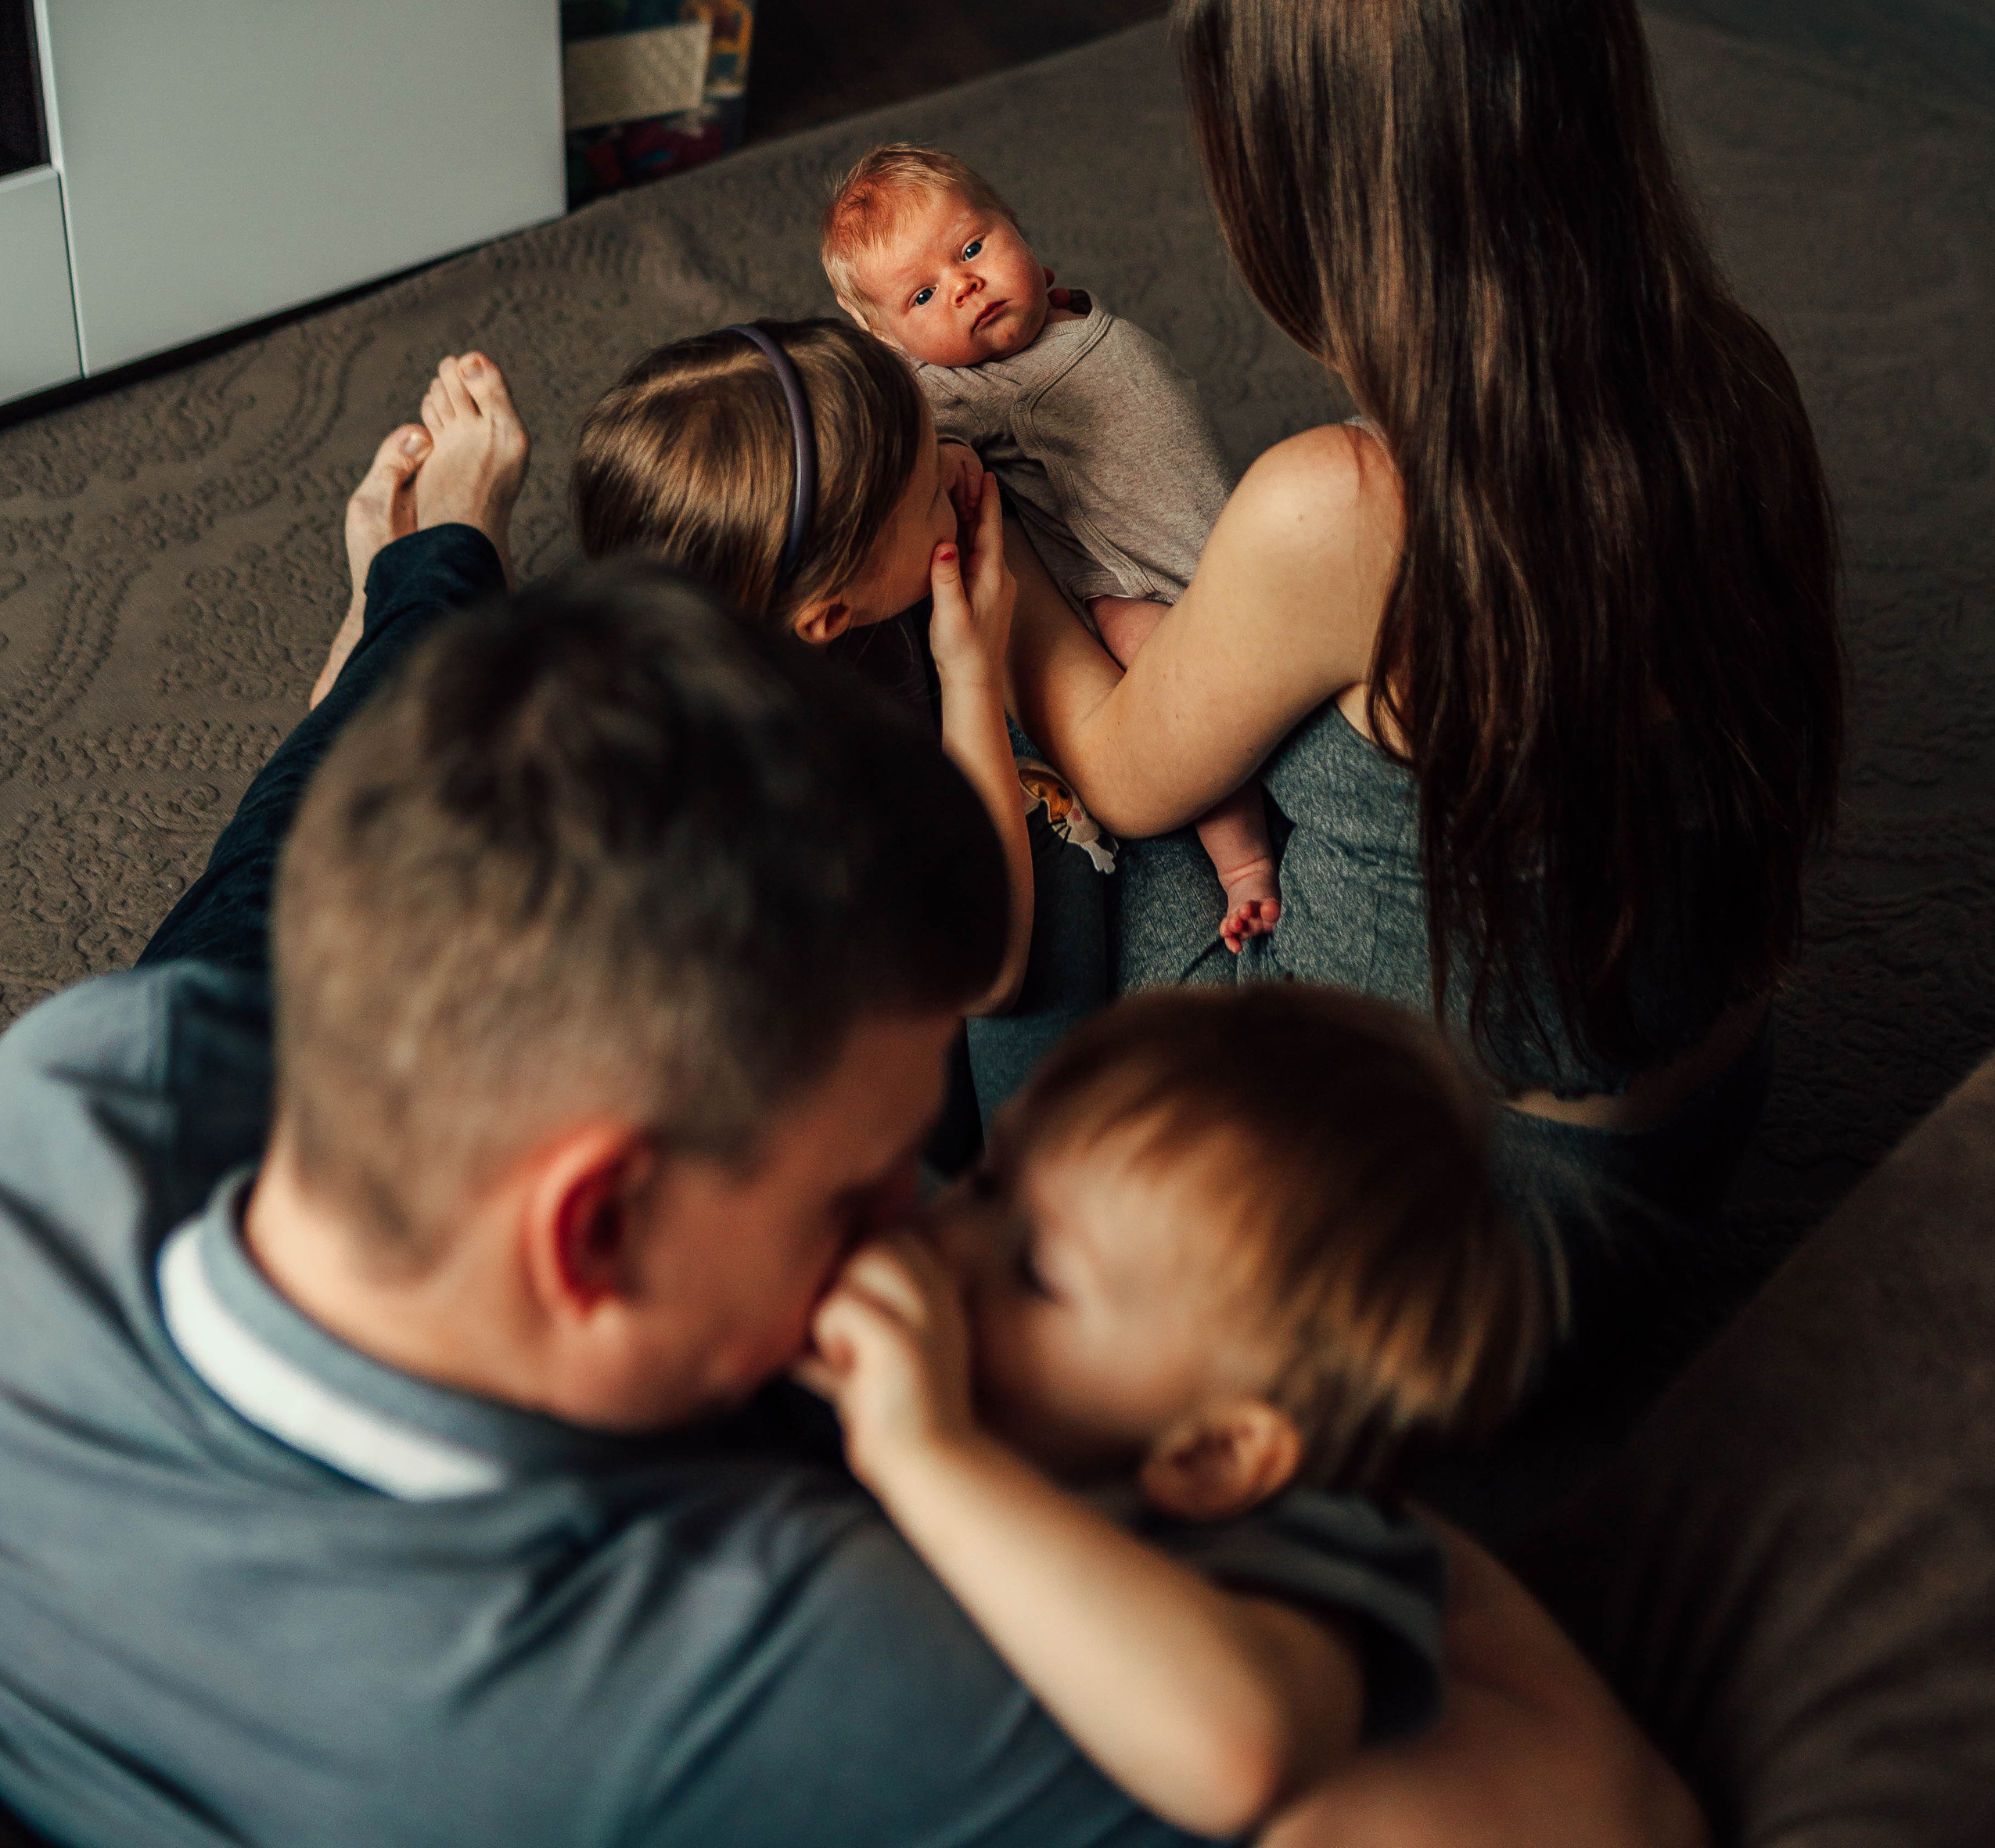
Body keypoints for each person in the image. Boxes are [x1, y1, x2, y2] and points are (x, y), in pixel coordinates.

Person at [0, 398, 1703, 1847]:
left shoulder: (82, 1077)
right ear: (593, 1229)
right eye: (856, 1184)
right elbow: (1590, 1811)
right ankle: (420, 601)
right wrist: (1332, 1525)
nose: (911, 1217)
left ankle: (422, 596)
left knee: (318, 838)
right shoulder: (755, 1659)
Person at [1004, 0, 1844, 1318]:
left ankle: (1001, 1168)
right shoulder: (1737, 376)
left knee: (1007, 759)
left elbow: (1132, 777)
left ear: (1317, 194)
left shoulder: (1339, 506)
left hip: (1430, 1225)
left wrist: (1001, 569)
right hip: (1674, 1150)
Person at [803, 986, 1540, 1836]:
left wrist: (925, 1452)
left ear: (1215, 1455)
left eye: (1036, 1273)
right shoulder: (1006, 1379)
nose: (947, 1240)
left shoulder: (1308, 1546)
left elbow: (1238, 1753)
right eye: (986, 1180)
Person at [570, 316, 1102, 1112]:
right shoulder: (792, 791)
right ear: (827, 617)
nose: (961, 464)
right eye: (931, 492)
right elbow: (989, 971)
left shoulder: (738, 605)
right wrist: (971, 675)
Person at [821, 141, 1278, 951]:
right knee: (1187, 705)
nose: (964, 285)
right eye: (923, 294)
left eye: (972, 248)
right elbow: (913, 439)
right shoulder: (956, 387)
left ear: (1017, 228)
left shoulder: (1068, 310)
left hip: (1227, 531)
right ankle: (1244, 865)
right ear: (891, 340)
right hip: (1133, 589)